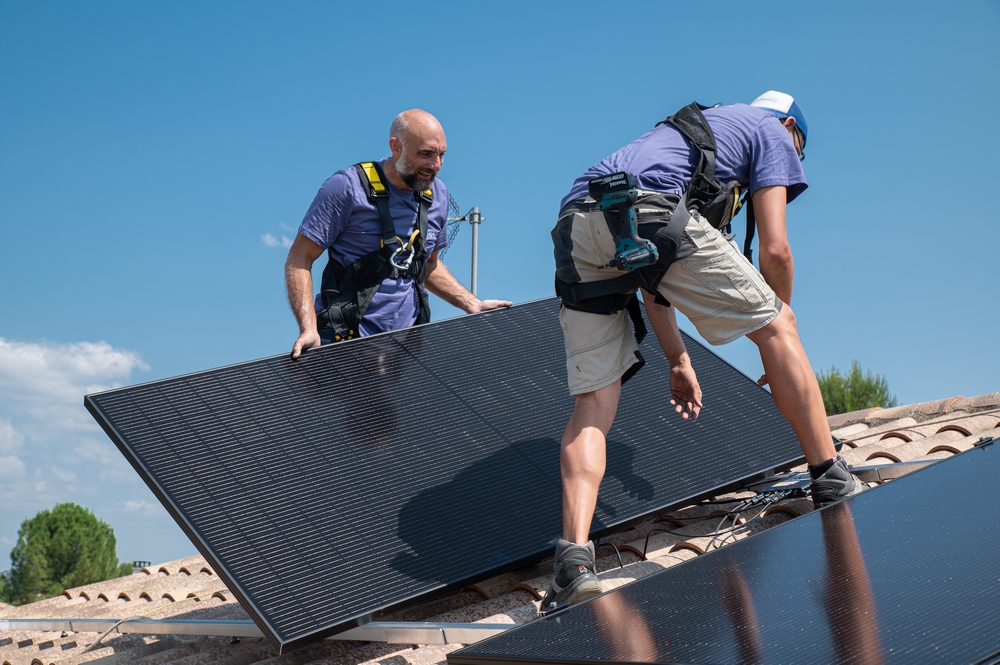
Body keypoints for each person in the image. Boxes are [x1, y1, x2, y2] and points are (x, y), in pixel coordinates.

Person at [541, 91, 866, 614]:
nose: (794, 163)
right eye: (799, 150)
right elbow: (775, 249)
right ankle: (828, 474)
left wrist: (678, 360)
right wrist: (774, 332)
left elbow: (653, 281)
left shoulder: (690, 142)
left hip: (577, 227)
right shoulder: (770, 132)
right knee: (781, 324)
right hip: (649, 212)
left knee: (594, 401)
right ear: (789, 126)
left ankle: (573, 565)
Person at [285, 108, 511, 358]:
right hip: (344, 342)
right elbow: (299, 258)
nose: (435, 165)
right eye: (426, 154)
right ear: (396, 147)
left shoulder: (437, 195)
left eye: (441, 155)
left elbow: (430, 266)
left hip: (404, 351)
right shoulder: (346, 188)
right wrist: (308, 328)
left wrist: (472, 304)